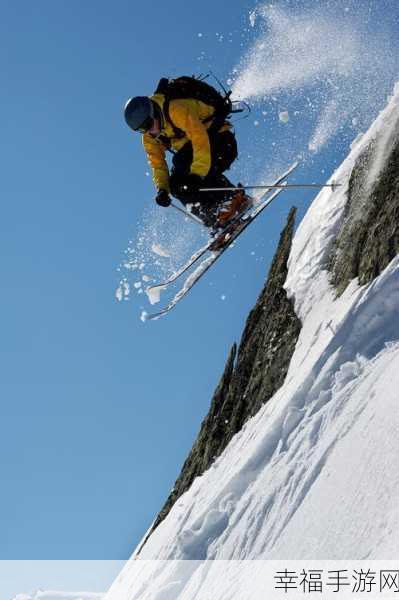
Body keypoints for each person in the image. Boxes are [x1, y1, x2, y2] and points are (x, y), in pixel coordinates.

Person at [123, 86, 251, 232]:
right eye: (142, 129)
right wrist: (162, 189)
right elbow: (157, 164)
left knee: (182, 164)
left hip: (222, 143)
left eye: (149, 124)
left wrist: (197, 174)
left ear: (154, 112)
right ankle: (215, 216)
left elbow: (199, 139)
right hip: (196, 157)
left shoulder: (175, 110)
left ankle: (233, 199)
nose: (149, 131)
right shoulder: (149, 137)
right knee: (176, 185)